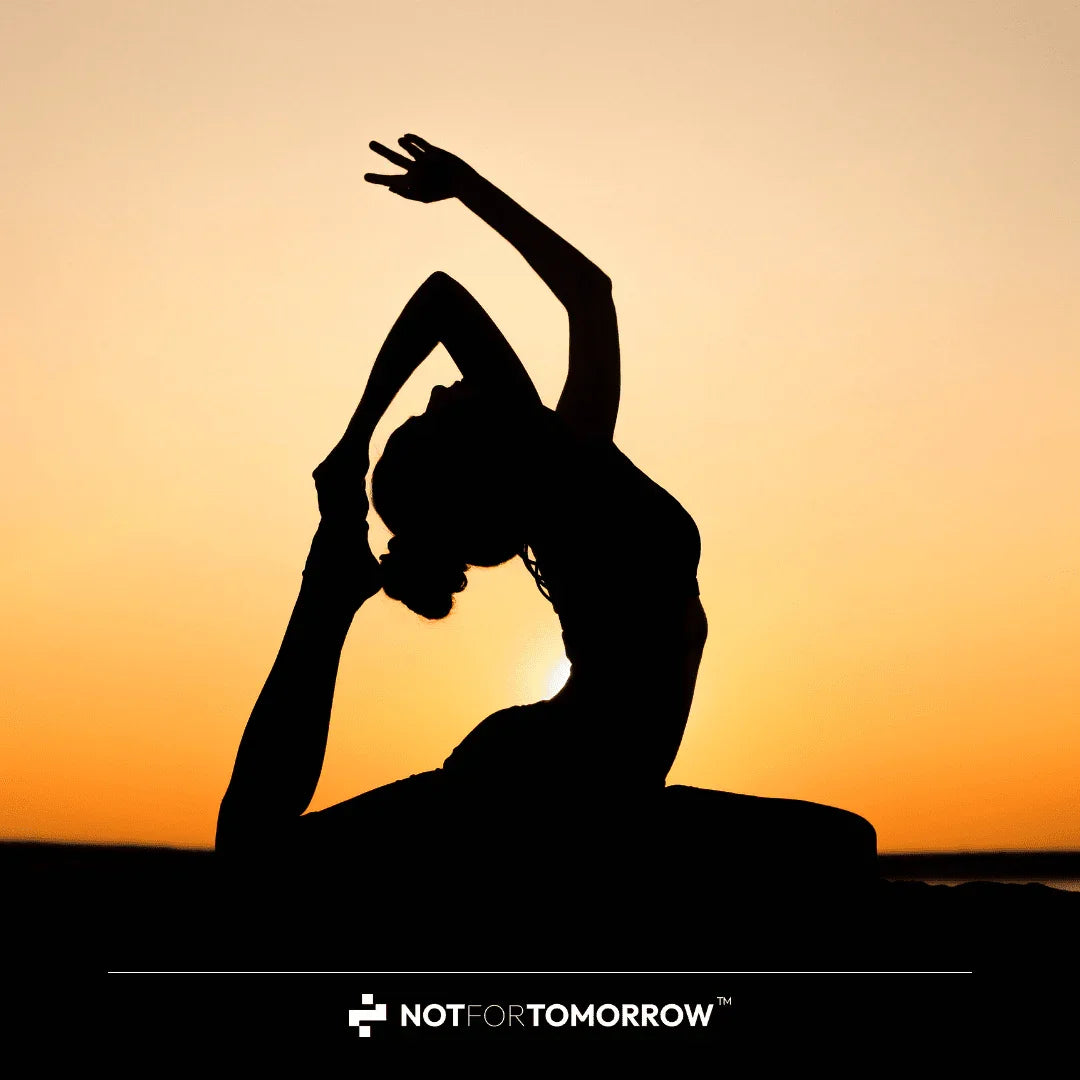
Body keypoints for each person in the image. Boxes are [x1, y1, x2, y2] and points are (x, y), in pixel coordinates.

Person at [215, 134, 707, 865]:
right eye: (430, 413)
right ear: (474, 460)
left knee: (842, 841)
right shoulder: (560, 475)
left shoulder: (568, 467)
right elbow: (447, 301)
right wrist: (356, 440)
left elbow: (591, 296)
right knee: (253, 855)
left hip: (568, 766)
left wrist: (470, 185)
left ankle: (329, 594)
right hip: (549, 778)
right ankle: (326, 597)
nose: (442, 388)